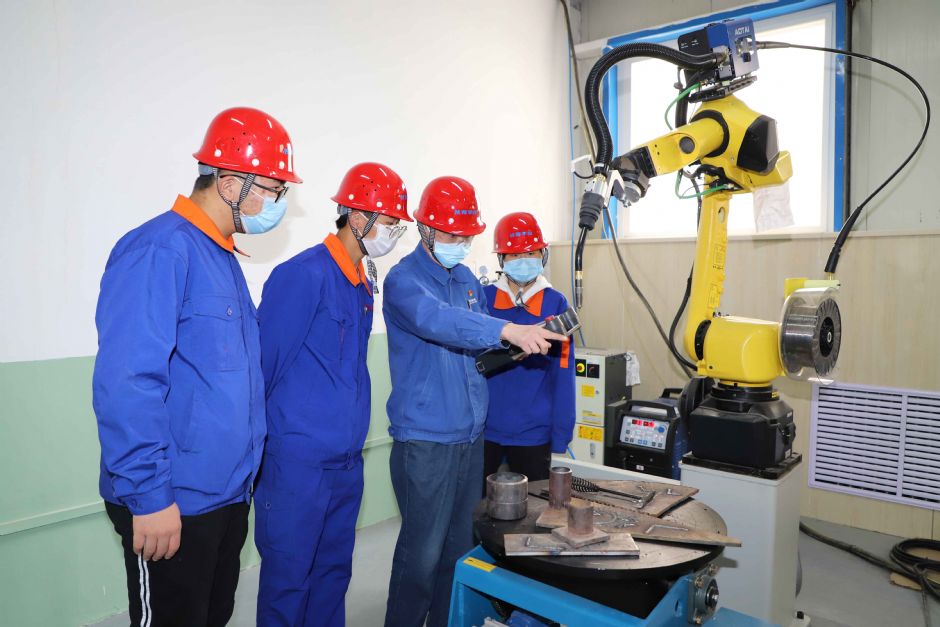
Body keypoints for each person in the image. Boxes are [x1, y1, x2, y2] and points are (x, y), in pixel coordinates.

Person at [92, 106, 301, 627]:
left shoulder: (222, 256)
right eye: (272, 190)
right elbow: (128, 382)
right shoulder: (159, 249)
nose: (278, 203)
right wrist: (149, 497)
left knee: (212, 616)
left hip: (225, 495)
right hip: (172, 502)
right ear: (229, 183)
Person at [381, 176, 566, 627]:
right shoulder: (403, 281)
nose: (461, 245)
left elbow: (480, 350)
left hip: (469, 437)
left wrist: (517, 346)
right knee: (421, 556)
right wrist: (506, 328)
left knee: (459, 551)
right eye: (451, 236)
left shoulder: (464, 279)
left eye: (467, 236)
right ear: (425, 229)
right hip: (426, 440)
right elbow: (439, 321)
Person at [254, 162, 411, 626]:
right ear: (358, 217)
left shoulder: (361, 283)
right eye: (389, 223)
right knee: (289, 581)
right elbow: (263, 368)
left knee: (332, 575)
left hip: (345, 463)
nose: (393, 233)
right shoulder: (302, 276)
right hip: (296, 466)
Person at [482, 212, 575, 487]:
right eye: (514, 254)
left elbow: (564, 373)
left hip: (534, 433)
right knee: (479, 505)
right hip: (483, 430)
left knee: (533, 504)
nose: (523, 260)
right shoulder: (483, 299)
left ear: (543, 255)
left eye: (531, 253)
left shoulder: (556, 304)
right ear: (502, 259)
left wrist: (561, 432)